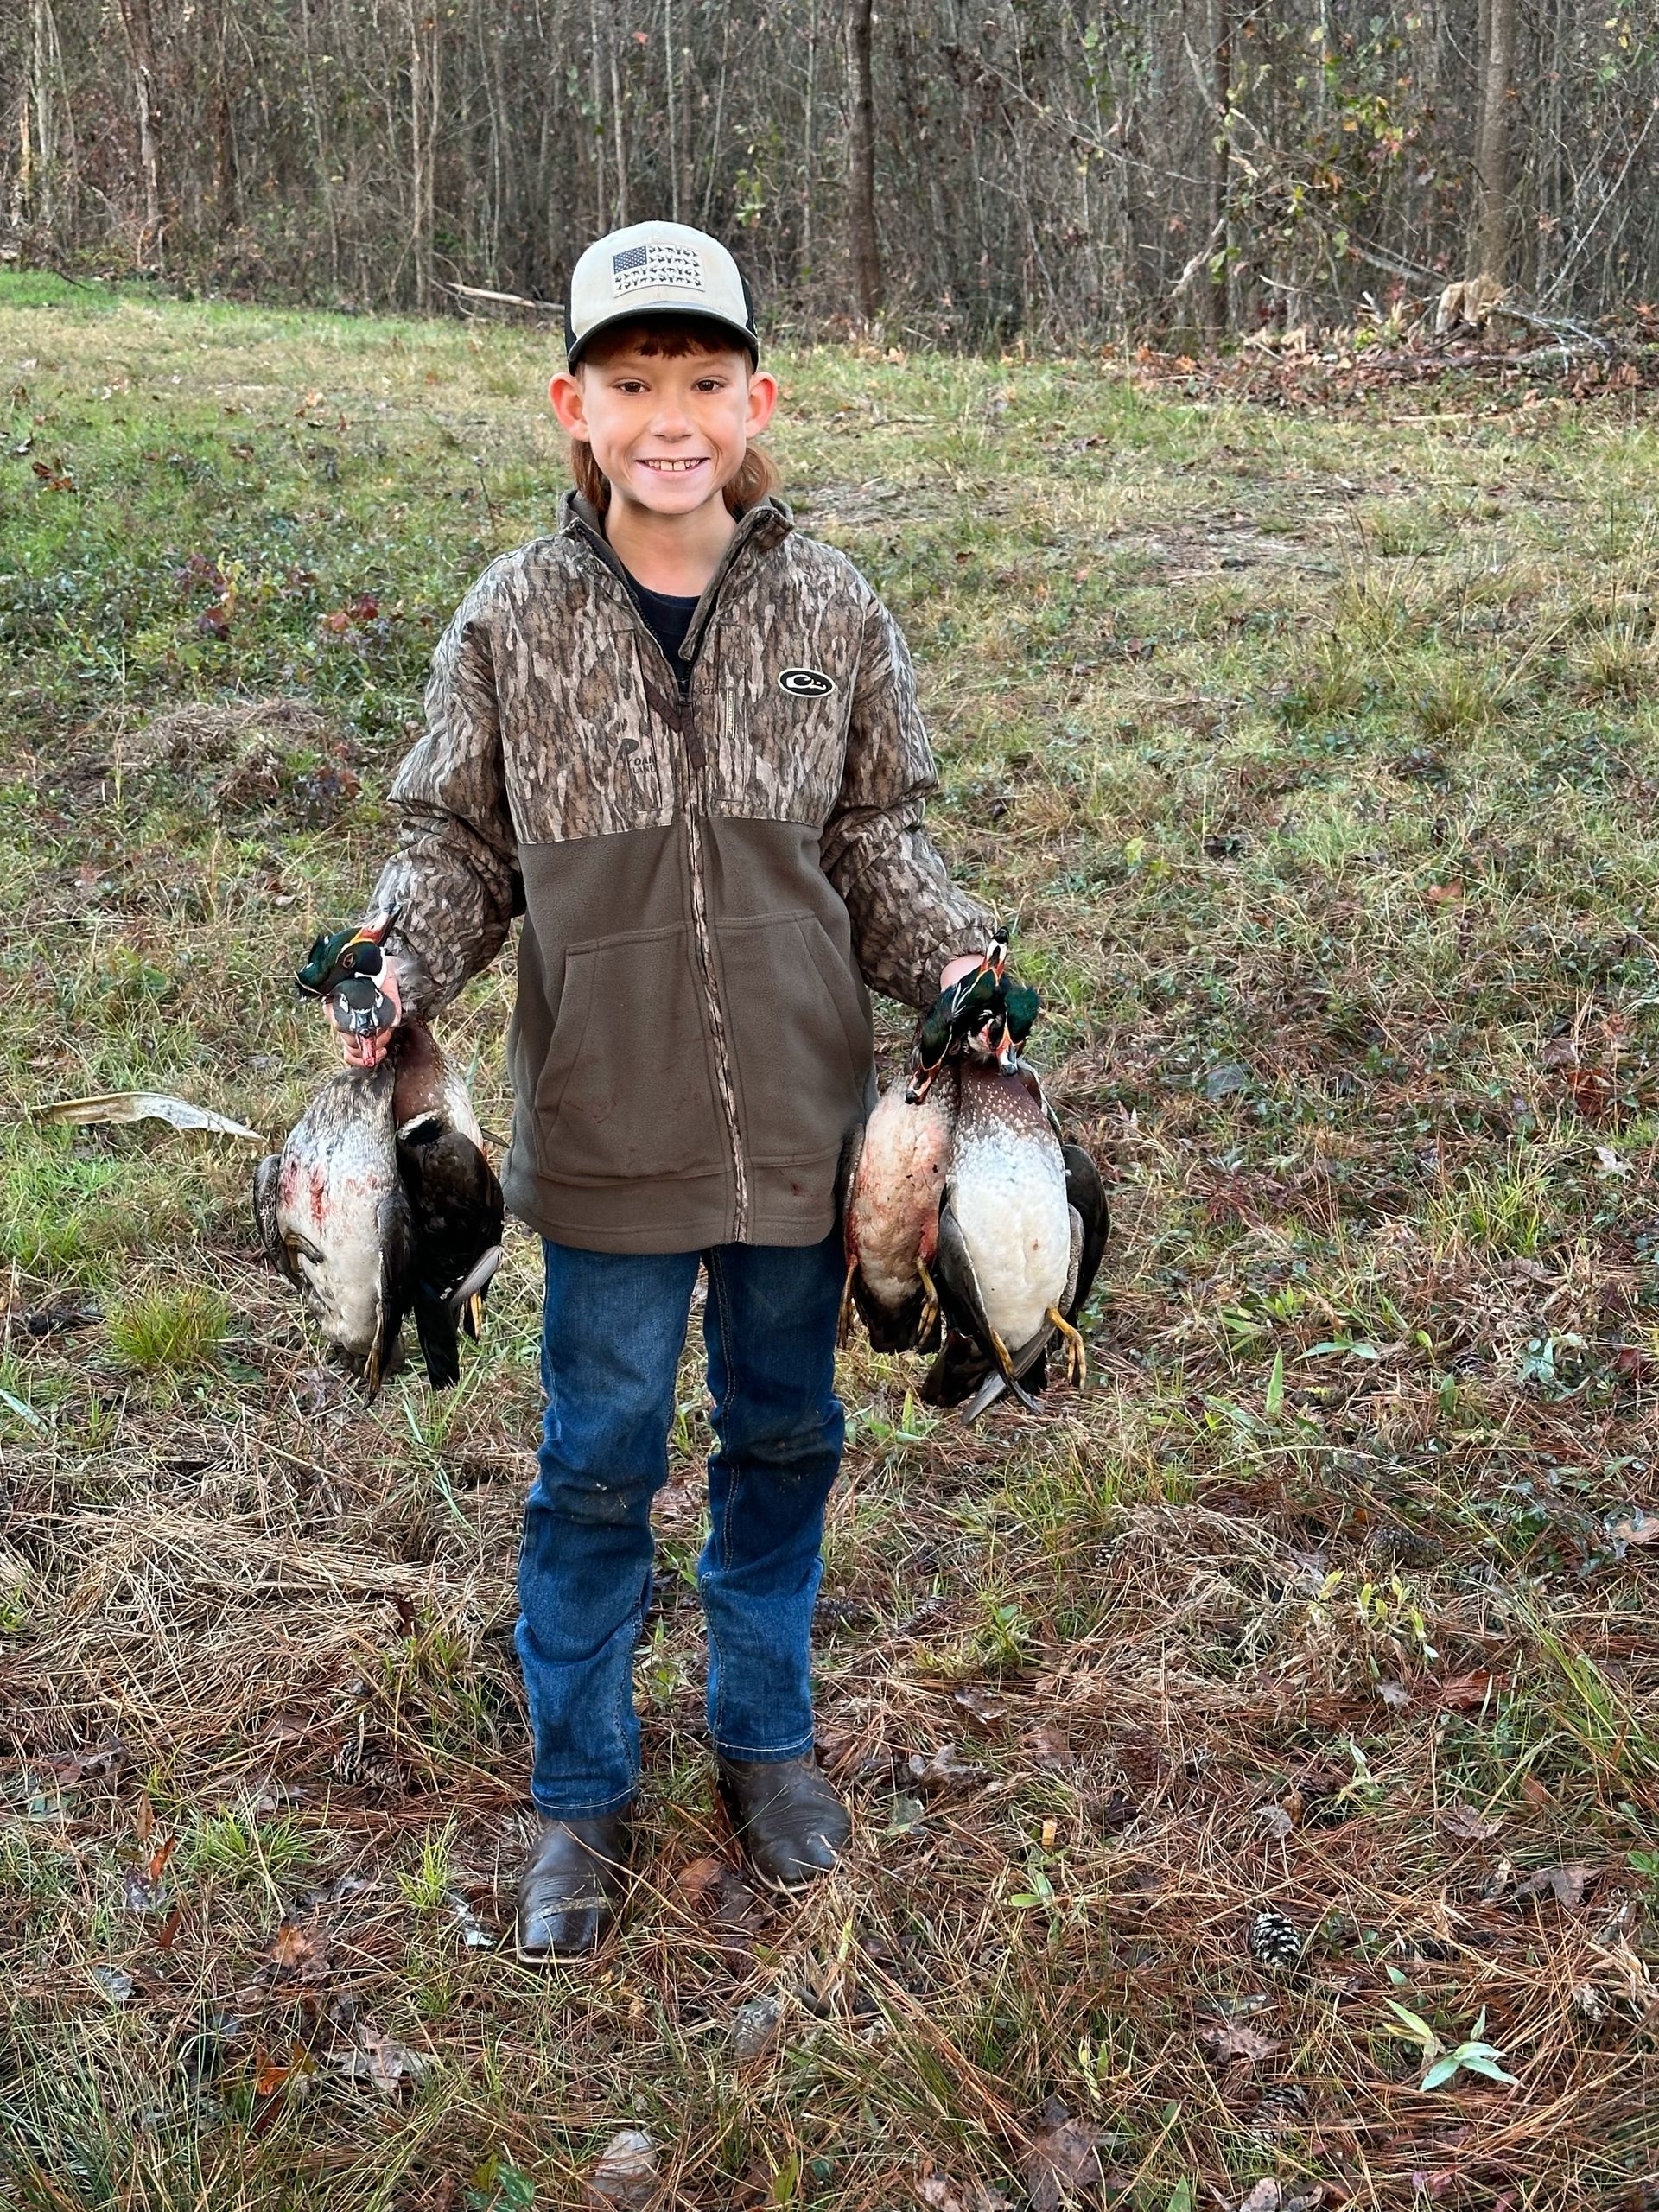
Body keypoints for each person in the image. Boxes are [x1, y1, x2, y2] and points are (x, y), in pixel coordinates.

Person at [328, 220, 992, 1961]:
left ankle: (767, 1738)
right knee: (600, 1458)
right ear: (574, 404)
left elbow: (879, 838)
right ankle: (581, 1783)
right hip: (610, 1135)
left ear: (756, 395)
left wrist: (958, 973)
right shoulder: (513, 618)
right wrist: (397, 961)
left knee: (784, 1436)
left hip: (804, 1138)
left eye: (704, 381)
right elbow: (454, 843)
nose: (670, 417)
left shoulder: (832, 605)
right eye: (632, 385)